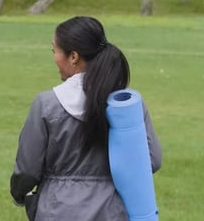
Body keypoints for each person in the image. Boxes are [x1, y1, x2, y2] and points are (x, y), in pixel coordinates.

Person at [9, 16, 162, 221]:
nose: (54, 57)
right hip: (112, 212)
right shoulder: (126, 105)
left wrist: (21, 195)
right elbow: (152, 159)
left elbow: (27, 170)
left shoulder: (47, 104)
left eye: (54, 50)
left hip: (56, 210)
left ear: (73, 56)